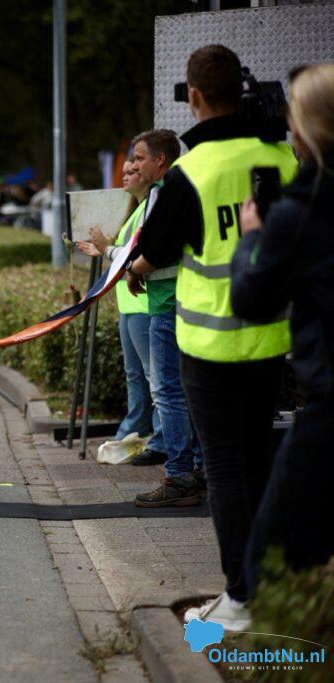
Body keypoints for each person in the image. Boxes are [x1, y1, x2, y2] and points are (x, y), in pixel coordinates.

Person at [127, 45, 298, 630]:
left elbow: (157, 248)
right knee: (259, 461)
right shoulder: (280, 155)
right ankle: (270, 585)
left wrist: (132, 269)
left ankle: (241, 598)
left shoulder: (192, 171)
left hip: (209, 345)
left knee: (224, 469)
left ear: (194, 96)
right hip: (271, 338)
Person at [232, 64, 334, 599]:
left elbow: (252, 299)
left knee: (268, 558)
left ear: (307, 129)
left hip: (328, 407)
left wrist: (252, 237)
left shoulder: (300, 212)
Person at [126, 129, 203, 504]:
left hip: (166, 303)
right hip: (177, 299)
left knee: (167, 391)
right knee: (183, 390)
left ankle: (180, 476)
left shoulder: (166, 190)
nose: (134, 165)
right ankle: (197, 469)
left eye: (140, 158)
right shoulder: (173, 187)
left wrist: (133, 268)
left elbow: (159, 248)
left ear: (160, 159)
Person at [77, 159, 165, 465]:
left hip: (142, 304)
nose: (126, 176)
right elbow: (124, 257)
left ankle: (160, 438)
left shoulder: (148, 208)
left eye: (133, 170)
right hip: (129, 304)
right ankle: (136, 429)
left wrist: (106, 248)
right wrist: (103, 251)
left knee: (154, 377)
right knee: (135, 375)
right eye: (125, 171)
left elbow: (134, 256)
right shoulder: (136, 211)